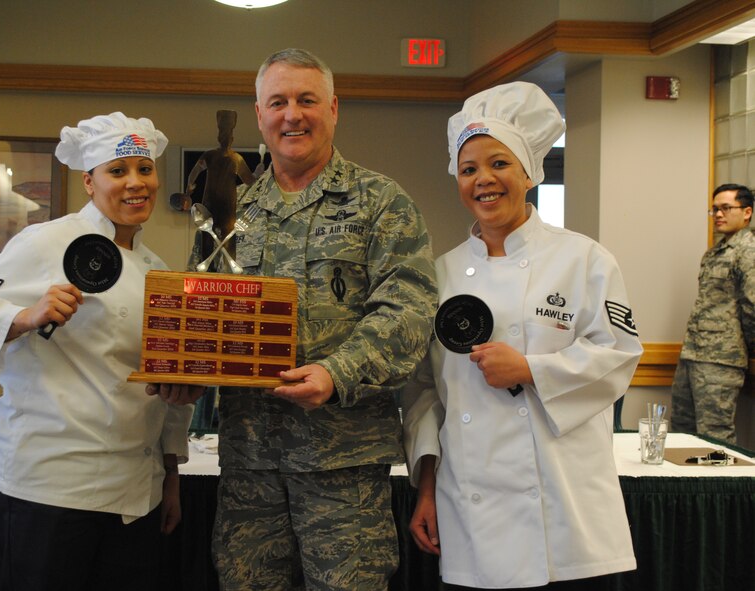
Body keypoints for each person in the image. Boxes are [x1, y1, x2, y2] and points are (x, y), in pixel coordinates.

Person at [192, 48, 437, 590]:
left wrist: (338, 372)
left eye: (306, 100)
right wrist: (182, 374)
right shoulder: (230, 211)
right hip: (249, 463)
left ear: (333, 108)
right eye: (277, 102)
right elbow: (201, 308)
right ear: (259, 115)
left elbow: (410, 310)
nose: (292, 115)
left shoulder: (381, 203)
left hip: (342, 465)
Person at [402, 82, 643, 590]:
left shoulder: (584, 260)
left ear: (530, 172)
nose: (483, 180)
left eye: (499, 164)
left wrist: (532, 370)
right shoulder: (438, 276)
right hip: (471, 513)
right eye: (468, 170)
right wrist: (426, 486)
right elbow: (425, 393)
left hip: (563, 515)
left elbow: (620, 355)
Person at [0, 112, 194, 591]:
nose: (135, 183)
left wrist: (170, 473)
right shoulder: (46, 241)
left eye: (144, 169)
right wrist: (26, 316)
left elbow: (166, 374)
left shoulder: (157, 270)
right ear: (89, 181)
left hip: (134, 494)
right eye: (118, 171)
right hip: (50, 489)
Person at [670, 183, 755, 443]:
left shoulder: (748, 251)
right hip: (694, 352)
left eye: (726, 208)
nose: (718, 214)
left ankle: (719, 485)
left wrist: (750, 348)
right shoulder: (717, 250)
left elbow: (752, 306)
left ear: (747, 212)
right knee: (681, 433)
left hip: (722, 358)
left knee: (714, 437)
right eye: (715, 209)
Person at [185, 109, 257, 260]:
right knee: (219, 237)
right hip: (219, 204)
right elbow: (250, 181)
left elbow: (195, 172)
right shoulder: (232, 158)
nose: (226, 139)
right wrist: (257, 173)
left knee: (223, 238)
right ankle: (215, 266)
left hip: (222, 205)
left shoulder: (231, 158)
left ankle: (222, 267)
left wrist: (190, 187)